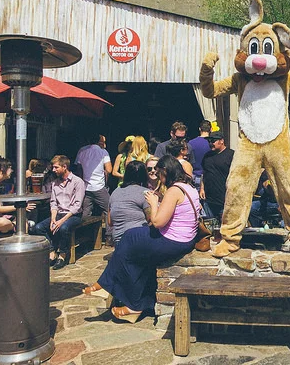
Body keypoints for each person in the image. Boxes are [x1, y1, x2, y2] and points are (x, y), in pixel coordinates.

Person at [82, 155, 199, 323]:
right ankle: (136, 306)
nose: (159, 178)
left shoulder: (174, 191)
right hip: (185, 239)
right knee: (137, 256)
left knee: (129, 237)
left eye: (160, 174)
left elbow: (157, 222)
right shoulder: (188, 187)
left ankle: (106, 285)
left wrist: (153, 202)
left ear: (166, 171)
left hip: (174, 241)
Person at [32, 155, 85, 270]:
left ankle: (63, 254)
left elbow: (77, 206)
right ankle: (52, 251)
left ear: (64, 167)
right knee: (39, 227)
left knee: (63, 228)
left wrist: (60, 221)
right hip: (59, 213)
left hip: (73, 214)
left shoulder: (77, 182)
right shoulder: (55, 183)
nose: (53, 170)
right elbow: (53, 203)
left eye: (56, 167)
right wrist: (53, 219)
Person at [75, 134, 112, 242]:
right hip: (99, 186)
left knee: (86, 212)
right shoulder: (103, 152)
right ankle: (109, 236)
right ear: (99, 141)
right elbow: (109, 169)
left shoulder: (82, 150)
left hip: (86, 187)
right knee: (109, 209)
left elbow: (78, 168)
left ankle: (84, 236)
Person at [108, 161, 151, 246]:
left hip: (118, 241)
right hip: (138, 239)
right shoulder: (145, 193)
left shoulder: (115, 192)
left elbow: (110, 222)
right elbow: (152, 219)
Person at [200, 131, 234, 218]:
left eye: (213, 141)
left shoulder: (231, 155)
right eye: (209, 141)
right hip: (209, 199)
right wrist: (202, 188)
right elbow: (204, 173)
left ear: (221, 141)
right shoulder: (207, 156)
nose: (210, 143)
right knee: (210, 223)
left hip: (225, 200)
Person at [188, 120, 211, 189]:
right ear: (211, 129)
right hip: (209, 176)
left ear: (199, 129)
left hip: (195, 175)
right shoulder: (212, 143)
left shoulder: (191, 143)